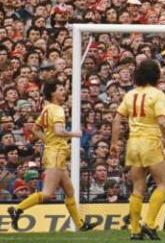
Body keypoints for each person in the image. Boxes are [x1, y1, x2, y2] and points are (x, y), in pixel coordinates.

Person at [7, 80, 99, 232]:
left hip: (54, 152)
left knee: (69, 191)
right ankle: (17, 209)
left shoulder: (47, 109)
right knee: (48, 193)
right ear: (53, 93)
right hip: (56, 154)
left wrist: (49, 142)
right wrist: (74, 134)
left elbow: (36, 129)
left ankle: (80, 225)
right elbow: (58, 131)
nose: (64, 92)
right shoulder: (57, 109)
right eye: (61, 89)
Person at [111, 59, 165, 241]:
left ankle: (135, 230)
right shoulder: (157, 94)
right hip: (150, 142)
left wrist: (114, 144)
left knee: (138, 188)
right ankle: (150, 224)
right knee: (164, 182)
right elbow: (161, 121)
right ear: (156, 75)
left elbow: (116, 120)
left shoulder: (130, 95)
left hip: (133, 144)